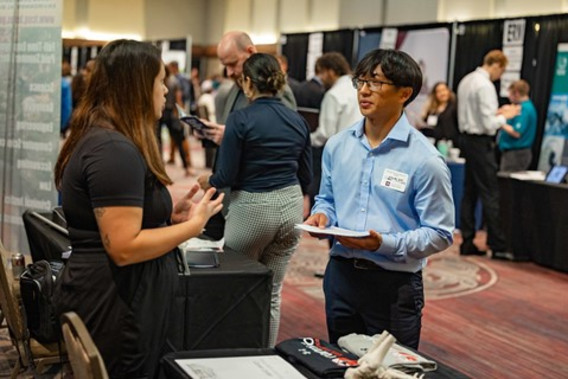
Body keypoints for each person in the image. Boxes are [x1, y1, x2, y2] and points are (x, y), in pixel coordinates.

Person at [53, 39, 224, 378]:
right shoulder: (113, 149)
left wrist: (164, 217)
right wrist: (193, 226)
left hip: (116, 297)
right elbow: (124, 248)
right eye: (160, 81)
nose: (165, 91)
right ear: (137, 85)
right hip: (117, 303)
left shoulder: (109, 139)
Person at [304, 49, 454, 349]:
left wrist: (384, 244)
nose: (364, 90)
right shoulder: (338, 146)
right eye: (361, 81)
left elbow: (440, 233)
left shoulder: (425, 160)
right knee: (342, 363)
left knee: (389, 369)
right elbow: (327, 199)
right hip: (341, 276)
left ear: (404, 93)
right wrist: (323, 216)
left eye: (376, 82)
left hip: (394, 285)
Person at [197, 53, 312, 347]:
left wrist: (205, 182)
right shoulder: (297, 119)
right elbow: (307, 175)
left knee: (236, 290)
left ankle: (233, 357)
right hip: (290, 207)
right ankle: (265, 355)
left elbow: (225, 174)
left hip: (253, 208)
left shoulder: (241, 118)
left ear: (247, 83)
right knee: (272, 292)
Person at [198, 31, 297, 240]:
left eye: (233, 63)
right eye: (224, 65)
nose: (229, 72)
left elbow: (280, 142)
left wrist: (233, 137)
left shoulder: (278, 91)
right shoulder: (235, 87)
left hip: (252, 199)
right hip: (225, 192)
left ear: (250, 52)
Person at [457, 50, 519, 259]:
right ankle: (498, 245)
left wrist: (496, 115)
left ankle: (467, 240)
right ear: (495, 65)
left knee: (470, 192)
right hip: (481, 142)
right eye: (501, 70)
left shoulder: (466, 80)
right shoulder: (485, 85)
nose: (500, 76)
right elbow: (488, 124)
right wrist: (505, 117)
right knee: (490, 193)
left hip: (466, 139)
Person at [309, 52, 360, 209]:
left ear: (330, 71)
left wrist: (304, 138)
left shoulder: (333, 95)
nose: (320, 79)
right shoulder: (359, 88)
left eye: (321, 74)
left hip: (340, 157)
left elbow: (325, 134)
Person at [498, 79, 537, 172]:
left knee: (506, 183)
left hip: (516, 154)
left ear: (516, 93)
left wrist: (499, 122)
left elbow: (516, 132)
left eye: (510, 93)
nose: (508, 97)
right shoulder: (521, 107)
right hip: (513, 153)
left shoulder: (524, 109)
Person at [420, 81, 459, 148]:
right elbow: (426, 121)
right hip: (433, 142)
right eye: (439, 91)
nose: (442, 93)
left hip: (449, 143)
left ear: (448, 91)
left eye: (444, 90)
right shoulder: (432, 109)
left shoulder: (454, 106)